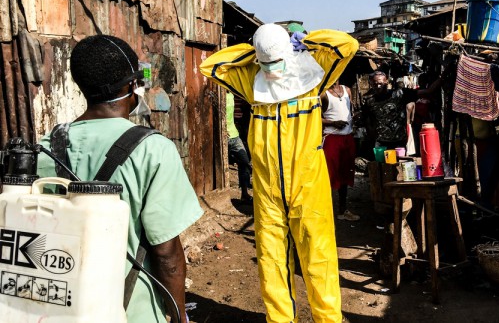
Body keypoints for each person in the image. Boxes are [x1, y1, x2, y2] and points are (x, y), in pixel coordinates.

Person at [36, 35, 203, 323]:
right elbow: (166, 254)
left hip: (61, 307)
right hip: (131, 310)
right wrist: (178, 315)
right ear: (131, 86)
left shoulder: (46, 147)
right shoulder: (153, 149)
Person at [200, 23, 358, 323]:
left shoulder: (314, 73)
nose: (272, 68)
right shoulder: (251, 80)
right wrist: (256, 51)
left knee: (318, 259)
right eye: (266, 63)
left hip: (308, 186)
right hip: (268, 189)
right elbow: (212, 65)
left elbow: (347, 44)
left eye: (277, 60)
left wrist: (307, 42)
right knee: (271, 262)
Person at [321, 81, 359, 221]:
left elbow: (350, 111)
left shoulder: (347, 90)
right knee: (328, 175)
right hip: (331, 138)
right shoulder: (323, 94)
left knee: (345, 175)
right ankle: (325, 212)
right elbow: (314, 118)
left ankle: (343, 210)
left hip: (347, 138)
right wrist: (332, 123)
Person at [226, 91, 253, 203]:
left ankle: (244, 193)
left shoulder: (232, 95)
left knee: (244, 161)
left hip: (234, 134)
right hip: (224, 136)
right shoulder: (219, 96)